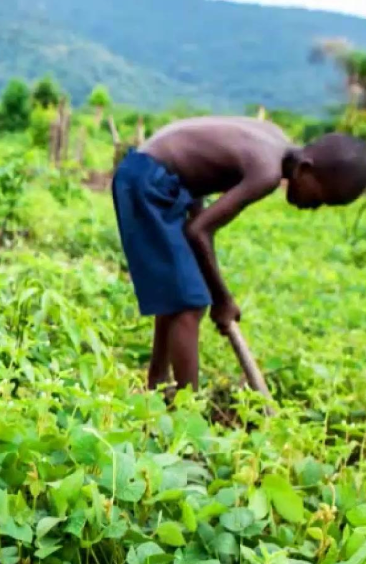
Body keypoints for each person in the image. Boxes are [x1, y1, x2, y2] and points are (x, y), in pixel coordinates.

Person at [112, 117, 366, 393]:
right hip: (148, 180)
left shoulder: (274, 137)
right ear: (305, 169)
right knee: (190, 304)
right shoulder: (267, 172)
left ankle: (158, 384)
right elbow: (198, 231)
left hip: (159, 177)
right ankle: (186, 413)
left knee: (181, 290)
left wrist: (203, 271)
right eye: (318, 199)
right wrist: (222, 300)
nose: (313, 207)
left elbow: (199, 182)